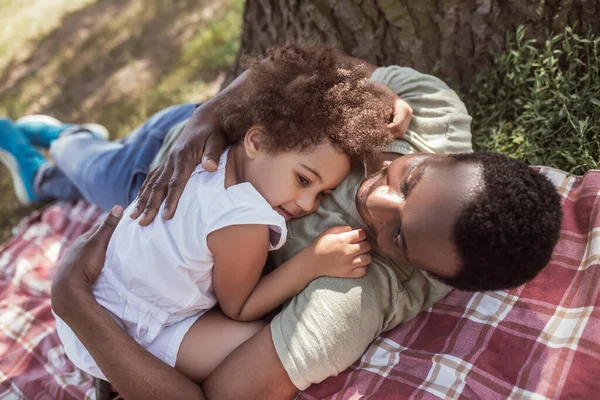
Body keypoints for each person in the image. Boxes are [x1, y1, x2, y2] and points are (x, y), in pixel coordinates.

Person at [4, 50, 561, 398]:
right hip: (184, 149)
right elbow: (311, 71)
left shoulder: (357, 292)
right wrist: (209, 115)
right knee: (94, 160)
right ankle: (66, 140)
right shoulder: (429, 111)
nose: (377, 200)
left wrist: (73, 298)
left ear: (419, 267)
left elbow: (224, 392)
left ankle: (47, 165)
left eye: (399, 237)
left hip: (149, 208)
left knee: (87, 174)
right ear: (445, 156)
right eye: (409, 178)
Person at [51, 42, 396, 383]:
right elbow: (239, 307)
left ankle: (64, 142)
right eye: (303, 179)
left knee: (87, 162)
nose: (307, 204)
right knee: (252, 344)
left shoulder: (216, 155)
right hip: (125, 329)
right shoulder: (244, 220)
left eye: (323, 193)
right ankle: (62, 142)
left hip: (105, 292)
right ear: (256, 142)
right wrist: (313, 262)